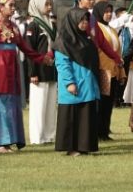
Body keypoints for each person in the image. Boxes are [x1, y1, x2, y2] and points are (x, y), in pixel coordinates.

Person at [0, 0, 52, 153]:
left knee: (12, 105)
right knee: (0, 105)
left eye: (14, 4)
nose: (13, 7)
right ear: (0, 7)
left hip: (12, 68)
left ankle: (10, 141)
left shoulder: (14, 27)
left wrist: (41, 58)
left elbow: (26, 48)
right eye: (10, 4)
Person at [53, 8, 100, 156]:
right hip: (74, 85)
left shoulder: (86, 39)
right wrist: (69, 83)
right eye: (81, 20)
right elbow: (62, 64)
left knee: (85, 116)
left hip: (87, 84)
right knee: (71, 116)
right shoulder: (63, 40)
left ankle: (84, 147)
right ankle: (71, 148)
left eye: (86, 20)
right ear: (73, 21)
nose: (85, 23)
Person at [26, 0, 57, 145]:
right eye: (46, 4)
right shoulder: (33, 25)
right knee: (39, 105)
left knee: (50, 105)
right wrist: (33, 73)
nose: (50, 7)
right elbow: (29, 50)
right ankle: (37, 137)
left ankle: (49, 135)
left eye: (50, 4)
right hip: (39, 70)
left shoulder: (51, 23)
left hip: (51, 68)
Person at [93, 1, 125, 141]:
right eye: (106, 11)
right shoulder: (96, 27)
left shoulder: (111, 29)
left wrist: (121, 72)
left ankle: (104, 131)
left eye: (110, 11)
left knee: (108, 103)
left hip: (113, 71)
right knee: (101, 103)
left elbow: (118, 52)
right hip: (102, 69)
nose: (108, 14)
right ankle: (98, 131)